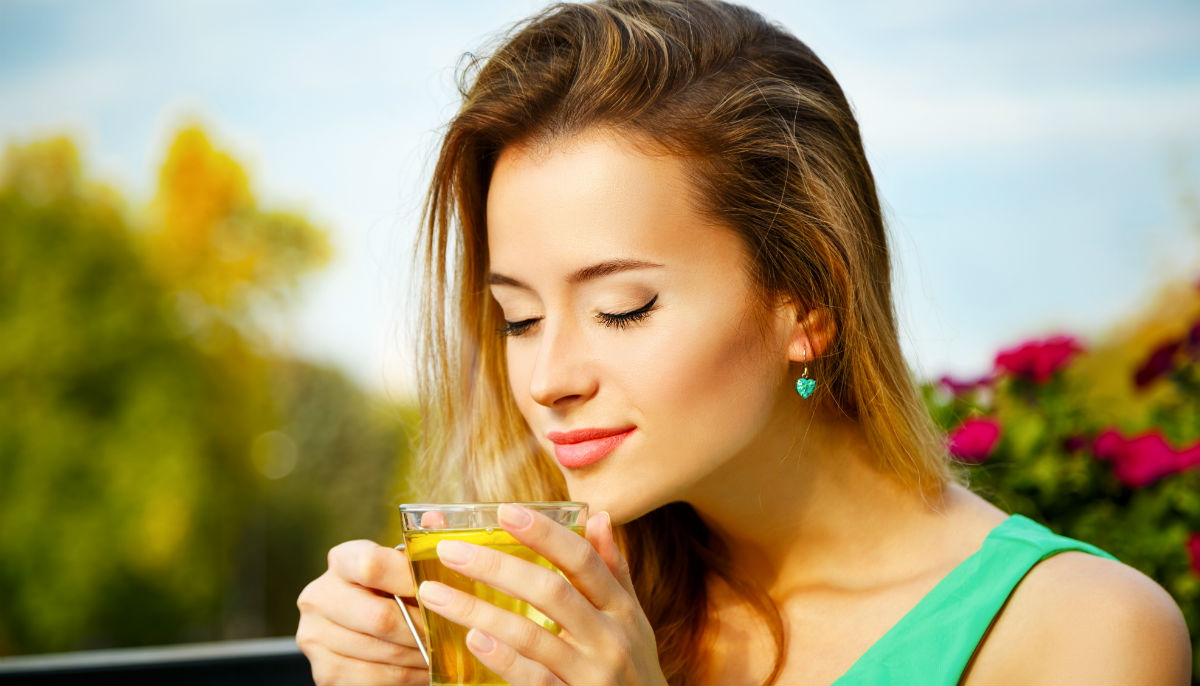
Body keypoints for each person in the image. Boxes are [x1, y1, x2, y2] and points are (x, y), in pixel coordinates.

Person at [295, 1, 1193, 684]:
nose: (547, 379)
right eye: (518, 319)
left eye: (623, 307)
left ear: (809, 302)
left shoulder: (1079, 635)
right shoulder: (546, 626)